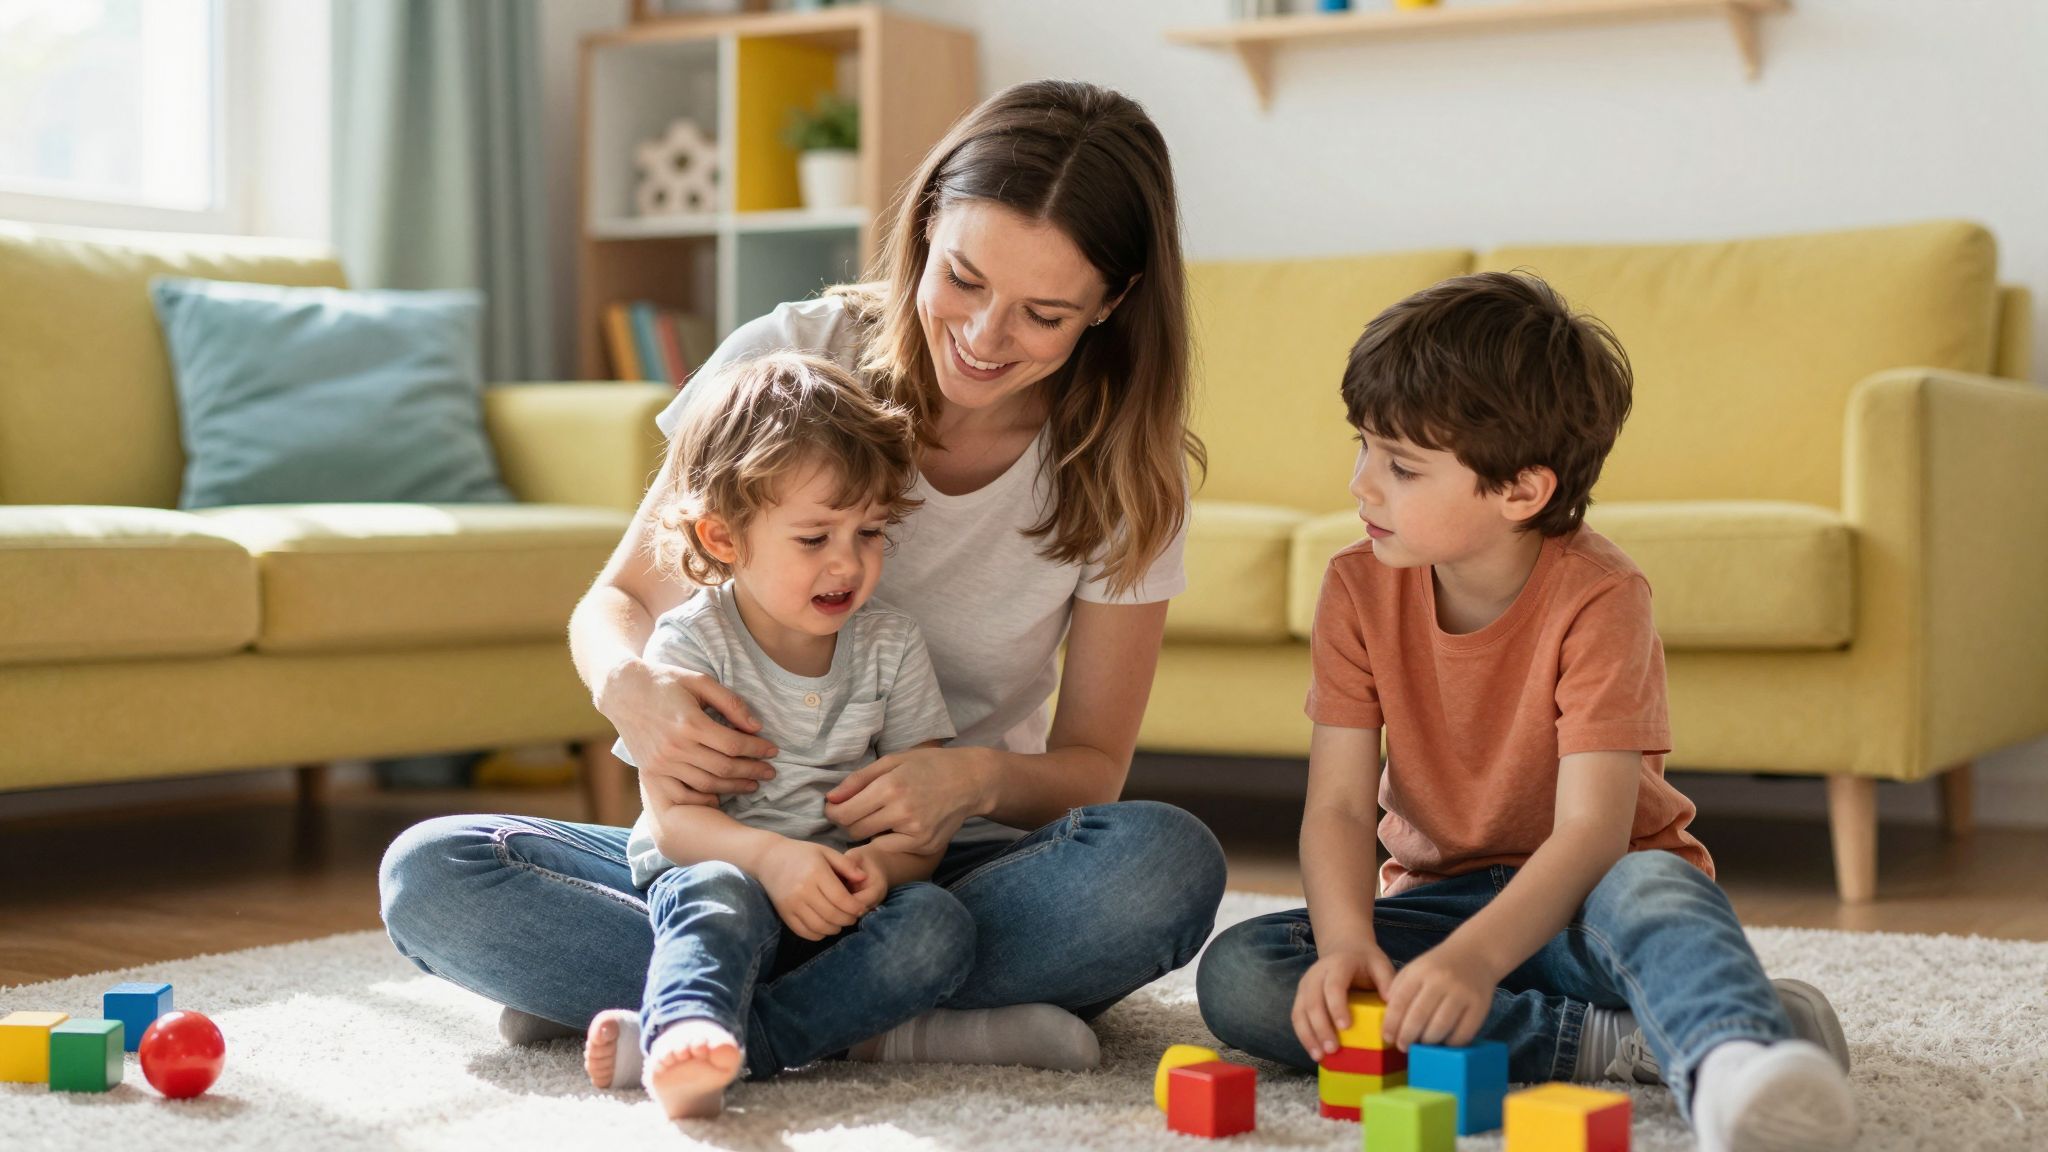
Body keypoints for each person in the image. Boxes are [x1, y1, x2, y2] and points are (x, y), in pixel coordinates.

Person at [377, 79, 1225, 1077]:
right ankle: (883, 1021)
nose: (985, 336)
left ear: (1111, 304)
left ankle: (692, 1004)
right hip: (728, 855)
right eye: (960, 278)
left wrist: (972, 778)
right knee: (432, 873)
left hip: (929, 871)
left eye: (1041, 313)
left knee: (1162, 868)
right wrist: (630, 689)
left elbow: (1091, 768)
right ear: (918, 234)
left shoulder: (1120, 462)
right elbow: (620, 601)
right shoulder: (789, 361)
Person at [1194, 272, 1858, 1152]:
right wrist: (1349, 942)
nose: (1361, 485)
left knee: (1662, 894)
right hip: (1441, 903)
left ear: (1521, 492)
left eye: (1399, 466)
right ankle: (1612, 1042)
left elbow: (1592, 834)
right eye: (1361, 447)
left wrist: (1475, 965)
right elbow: (1343, 807)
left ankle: (1732, 1061)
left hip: (1595, 896)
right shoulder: (1356, 588)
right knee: (1245, 973)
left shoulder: (1602, 595)